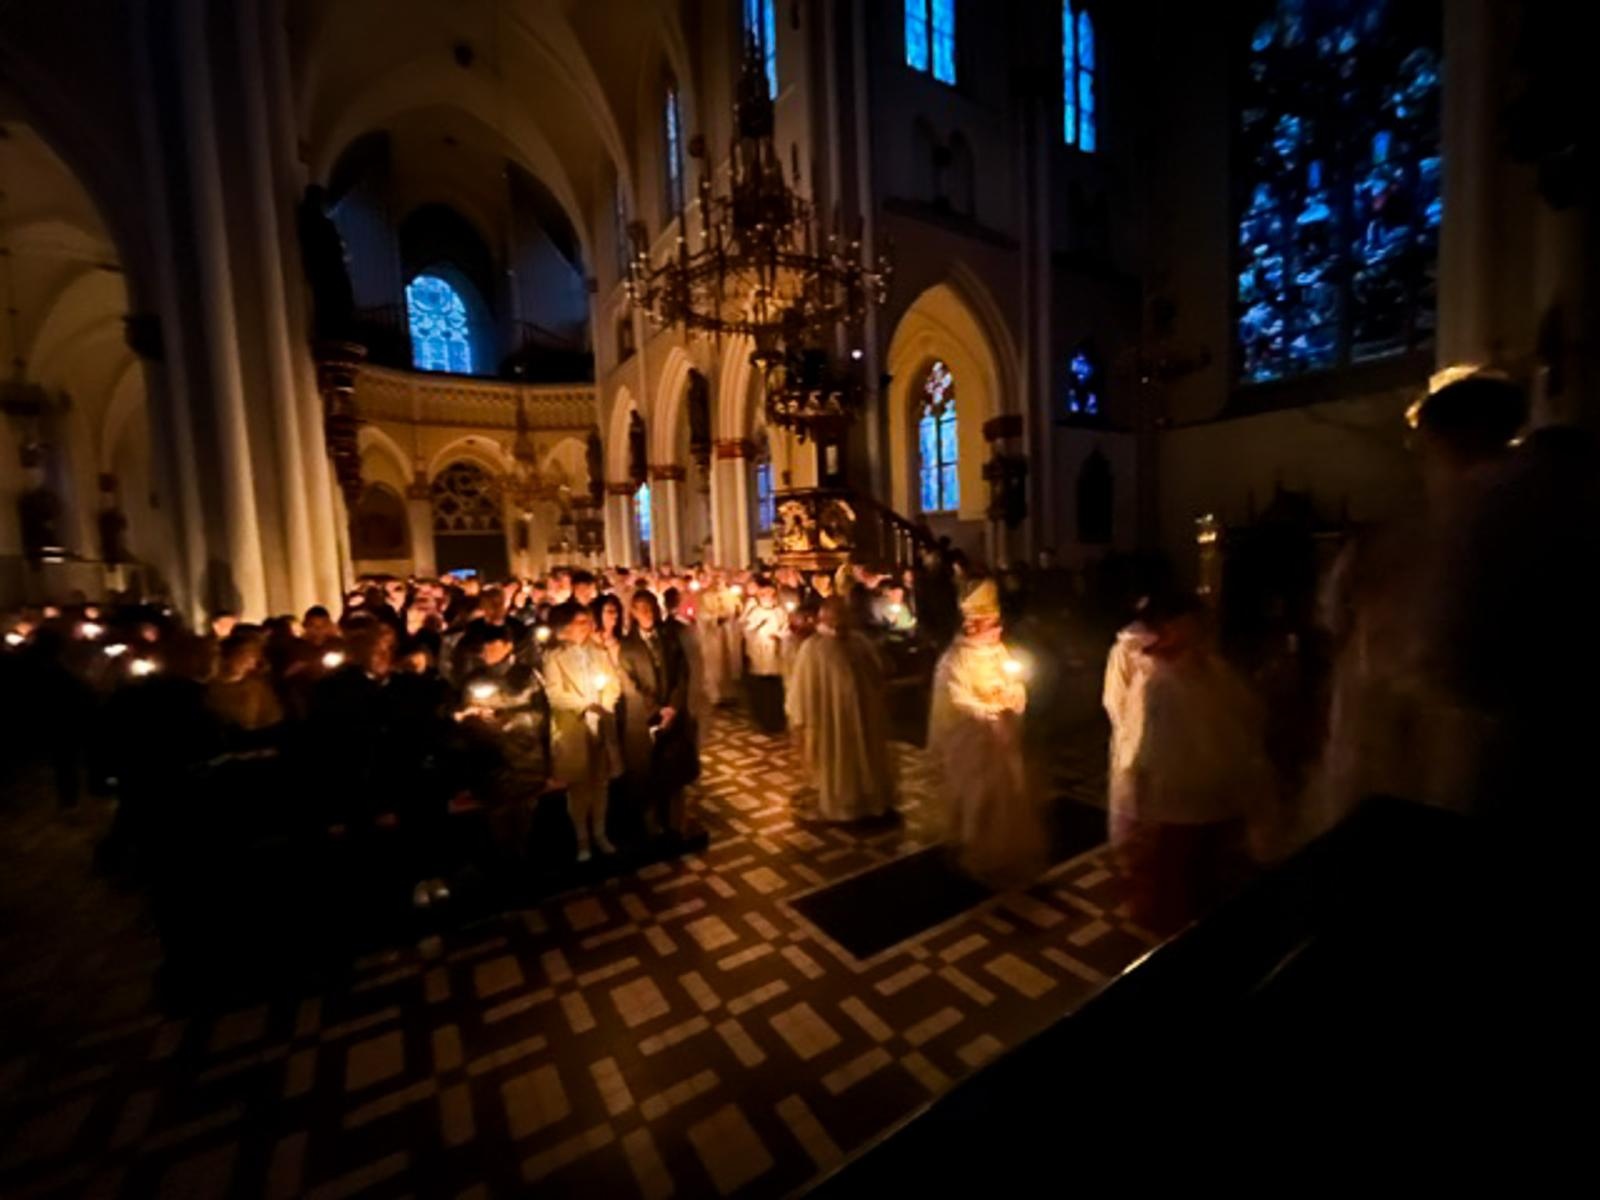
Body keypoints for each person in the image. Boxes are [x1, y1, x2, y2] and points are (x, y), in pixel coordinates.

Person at [1113, 592, 1270, 935]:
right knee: (1177, 884)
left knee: (1210, 877)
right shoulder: (1160, 680)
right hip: (1178, 798)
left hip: (1216, 792)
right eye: (1191, 624)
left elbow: (1245, 718)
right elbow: (1148, 740)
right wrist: (1138, 791)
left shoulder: (1214, 671)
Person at [928, 579, 1043, 884]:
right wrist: (988, 711)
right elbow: (955, 701)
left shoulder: (997, 651)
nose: (999, 630)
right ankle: (974, 851)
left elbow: (1016, 682)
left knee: (1005, 797)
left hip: (1001, 742)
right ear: (974, 626)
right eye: (992, 624)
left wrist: (1013, 696)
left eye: (998, 623)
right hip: (972, 746)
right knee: (979, 799)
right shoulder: (954, 660)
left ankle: (1003, 851)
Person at [785, 597, 897, 822]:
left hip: (865, 715)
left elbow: (878, 671)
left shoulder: (859, 642)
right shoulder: (813, 648)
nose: (842, 622)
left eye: (845, 616)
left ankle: (871, 801)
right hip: (831, 721)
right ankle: (843, 804)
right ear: (824, 618)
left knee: (866, 757)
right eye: (836, 617)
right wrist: (802, 719)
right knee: (838, 760)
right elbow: (802, 688)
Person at [542, 606, 621, 860]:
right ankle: (582, 839)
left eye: (588, 621)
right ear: (567, 626)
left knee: (601, 783)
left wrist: (606, 703)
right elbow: (553, 693)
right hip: (575, 725)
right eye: (580, 621)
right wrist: (584, 703)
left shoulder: (599, 651)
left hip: (602, 723)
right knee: (579, 787)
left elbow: (613, 682)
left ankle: (600, 833)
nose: (586, 626)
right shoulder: (554, 656)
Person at [619, 590, 698, 838]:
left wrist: (673, 706)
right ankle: (652, 821)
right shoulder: (628, 646)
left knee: (675, 769)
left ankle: (675, 821)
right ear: (632, 612)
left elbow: (682, 673)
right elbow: (629, 683)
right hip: (646, 717)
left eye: (651, 607)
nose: (647, 613)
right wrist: (655, 709)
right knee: (648, 771)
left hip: (673, 713)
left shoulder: (669, 637)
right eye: (641, 608)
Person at [741, 577, 789, 733]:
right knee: (762, 687)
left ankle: (777, 719)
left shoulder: (780, 611)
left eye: (770, 594)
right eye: (764, 594)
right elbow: (747, 631)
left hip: (776, 653)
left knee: (776, 688)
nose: (768, 597)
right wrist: (757, 626)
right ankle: (763, 719)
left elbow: (786, 628)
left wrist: (780, 635)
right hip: (760, 654)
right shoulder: (755, 612)